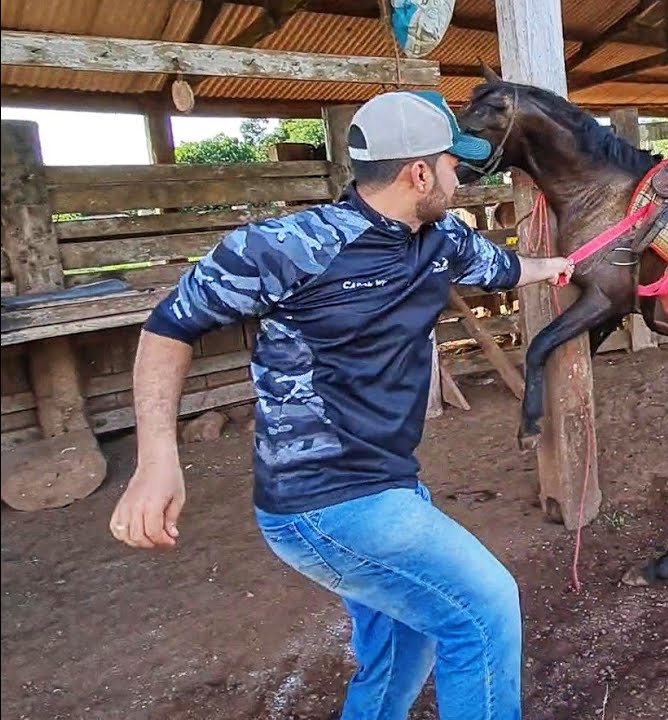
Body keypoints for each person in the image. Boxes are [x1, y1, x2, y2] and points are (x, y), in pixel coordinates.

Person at [108, 90, 571, 720]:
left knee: (406, 645)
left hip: (389, 488)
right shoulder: (284, 247)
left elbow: (504, 267)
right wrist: (157, 458)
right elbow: (169, 327)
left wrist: (559, 266)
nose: (459, 175)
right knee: (483, 611)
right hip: (326, 503)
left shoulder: (440, 241)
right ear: (418, 174)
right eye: (452, 164)